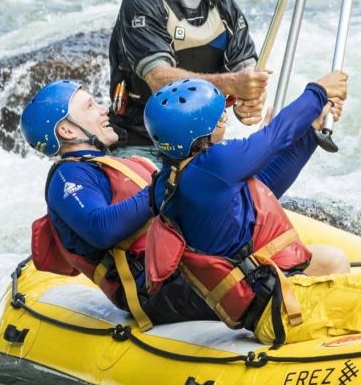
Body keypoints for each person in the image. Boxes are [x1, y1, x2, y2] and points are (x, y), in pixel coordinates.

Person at [140, 74, 361, 346]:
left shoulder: (176, 178)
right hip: (282, 307)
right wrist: (317, 92)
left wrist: (312, 129)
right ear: (198, 133)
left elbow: (269, 179)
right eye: (217, 116)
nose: (224, 117)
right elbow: (275, 136)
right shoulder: (212, 167)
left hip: (272, 294)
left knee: (338, 262)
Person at [19, 79, 215, 328]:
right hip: (154, 289)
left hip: (177, 267)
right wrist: (164, 184)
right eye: (90, 106)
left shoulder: (110, 163)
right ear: (67, 131)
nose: (104, 109)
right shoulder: (68, 177)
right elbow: (101, 228)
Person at [107, 0, 268, 158]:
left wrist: (249, 102)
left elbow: (245, 73)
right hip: (141, 143)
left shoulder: (222, 2)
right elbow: (159, 79)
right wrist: (233, 84)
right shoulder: (142, 0)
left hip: (201, 146)